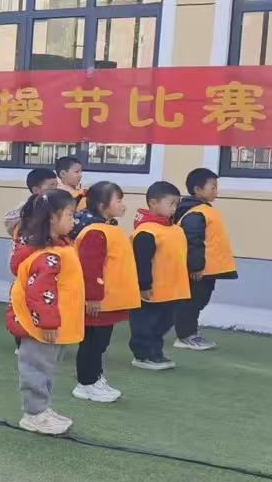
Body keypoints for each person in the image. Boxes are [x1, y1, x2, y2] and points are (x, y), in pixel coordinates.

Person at [8, 190, 83, 435]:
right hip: (40, 326)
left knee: (44, 368)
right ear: (52, 217)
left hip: (49, 324)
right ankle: (34, 413)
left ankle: (41, 408)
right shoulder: (47, 254)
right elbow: (40, 293)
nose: (74, 220)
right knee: (35, 369)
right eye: (70, 214)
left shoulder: (60, 246)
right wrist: (48, 323)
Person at [72, 181, 138, 403]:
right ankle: (86, 383)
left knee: (100, 343)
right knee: (92, 343)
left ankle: (95, 377)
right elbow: (90, 268)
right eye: (118, 200)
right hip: (98, 302)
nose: (123, 205)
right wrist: (92, 296)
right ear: (102, 205)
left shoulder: (108, 228)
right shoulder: (95, 232)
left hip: (108, 301)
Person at [174, 168, 236, 351]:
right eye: (212, 187)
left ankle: (190, 332)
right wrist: (196, 267)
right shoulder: (196, 213)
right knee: (192, 302)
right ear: (197, 189)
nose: (216, 191)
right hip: (199, 270)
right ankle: (186, 336)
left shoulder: (203, 210)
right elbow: (193, 241)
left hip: (207, 269)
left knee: (198, 301)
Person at [129, 181, 189, 371]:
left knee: (164, 323)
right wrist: (144, 285)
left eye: (176, 204)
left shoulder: (176, 229)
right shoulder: (146, 232)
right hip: (151, 290)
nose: (174, 208)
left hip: (172, 290)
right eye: (170, 203)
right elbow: (142, 261)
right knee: (146, 323)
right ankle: (143, 355)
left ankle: (155, 352)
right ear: (153, 203)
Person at [4, 167, 58, 237]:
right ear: (36, 190)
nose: (56, 190)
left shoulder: (57, 206)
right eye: (51, 186)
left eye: (56, 186)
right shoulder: (26, 211)